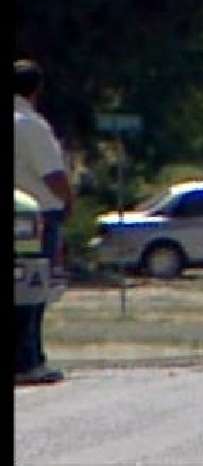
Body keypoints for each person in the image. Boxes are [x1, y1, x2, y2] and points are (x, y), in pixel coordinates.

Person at [13, 60, 73, 385]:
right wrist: (68, 201)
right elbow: (52, 174)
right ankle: (29, 360)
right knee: (34, 289)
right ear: (36, 89)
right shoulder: (30, 124)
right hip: (37, 216)